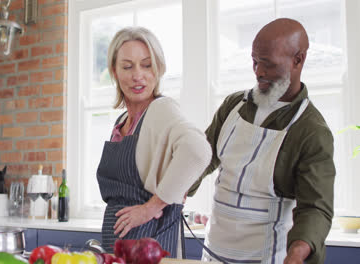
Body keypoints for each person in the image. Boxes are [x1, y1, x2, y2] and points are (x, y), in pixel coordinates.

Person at [188, 18, 336, 264]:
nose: (258, 72)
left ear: (298, 60)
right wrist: (177, 189)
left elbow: (315, 208)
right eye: (255, 61)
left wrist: (298, 252)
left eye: (268, 64)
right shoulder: (233, 106)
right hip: (214, 253)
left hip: (268, 257)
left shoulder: (311, 131)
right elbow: (203, 156)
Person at [96, 26, 212, 258]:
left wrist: (152, 207)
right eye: (127, 66)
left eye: (147, 65)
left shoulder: (161, 109)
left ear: (158, 69)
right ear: (114, 72)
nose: (138, 75)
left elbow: (198, 151)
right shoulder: (122, 122)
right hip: (118, 249)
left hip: (150, 248)